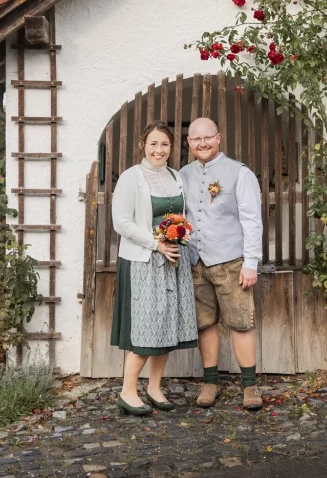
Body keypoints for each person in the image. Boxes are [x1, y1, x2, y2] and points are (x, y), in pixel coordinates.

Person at [109, 120, 198, 416]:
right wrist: (156, 243)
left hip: (173, 261)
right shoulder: (131, 177)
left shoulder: (175, 176)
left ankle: (155, 387)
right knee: (146, 329)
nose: (159, 150)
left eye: (165, 144)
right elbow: (121, 222)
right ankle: (127, 390)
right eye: (153, 144)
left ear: (172, 148)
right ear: (143, 146)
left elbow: (180, 215)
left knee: (167, 327)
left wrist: (181, 234)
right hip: (144, 262)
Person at [179, 117, 264, 411]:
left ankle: (250, 386)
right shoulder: (182, 175)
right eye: (195, 139)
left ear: (218, 138)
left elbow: (252, 220)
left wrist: (251, 263)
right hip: (195, 261)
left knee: (241, 323)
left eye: (208, 137)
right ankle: (210, 382)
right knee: (205, 325)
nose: (202, 143)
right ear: (189, 143)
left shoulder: (240, 173)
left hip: (231, 262)